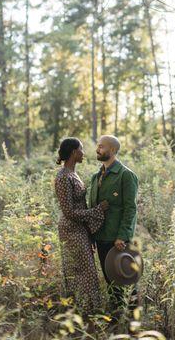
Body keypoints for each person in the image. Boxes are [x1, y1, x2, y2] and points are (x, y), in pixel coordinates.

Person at [54, 137, 109, 321]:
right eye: (82, 149)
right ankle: (82, 315)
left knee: (87, 271)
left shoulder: (73, 174)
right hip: (71, 230)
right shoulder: (62, 177)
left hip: (80, 229)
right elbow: (69, 212)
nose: (84, 153)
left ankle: (88, 314)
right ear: (73, 152)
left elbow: (80, 204)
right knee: (81, 272)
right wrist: (97, 211)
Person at [89, 135, 139, 320]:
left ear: (112, 150)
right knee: (110, 280)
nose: (97, 150)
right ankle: (117, 318)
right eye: (98, 146)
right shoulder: (96, 177)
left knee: (126, 279)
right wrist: (92, 236)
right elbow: (93, 209)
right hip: (101, 237)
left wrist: (123, 236)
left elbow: (130, 209)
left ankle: (133, 320)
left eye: (101, 147)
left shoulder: (126, 175)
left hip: (117, 239)